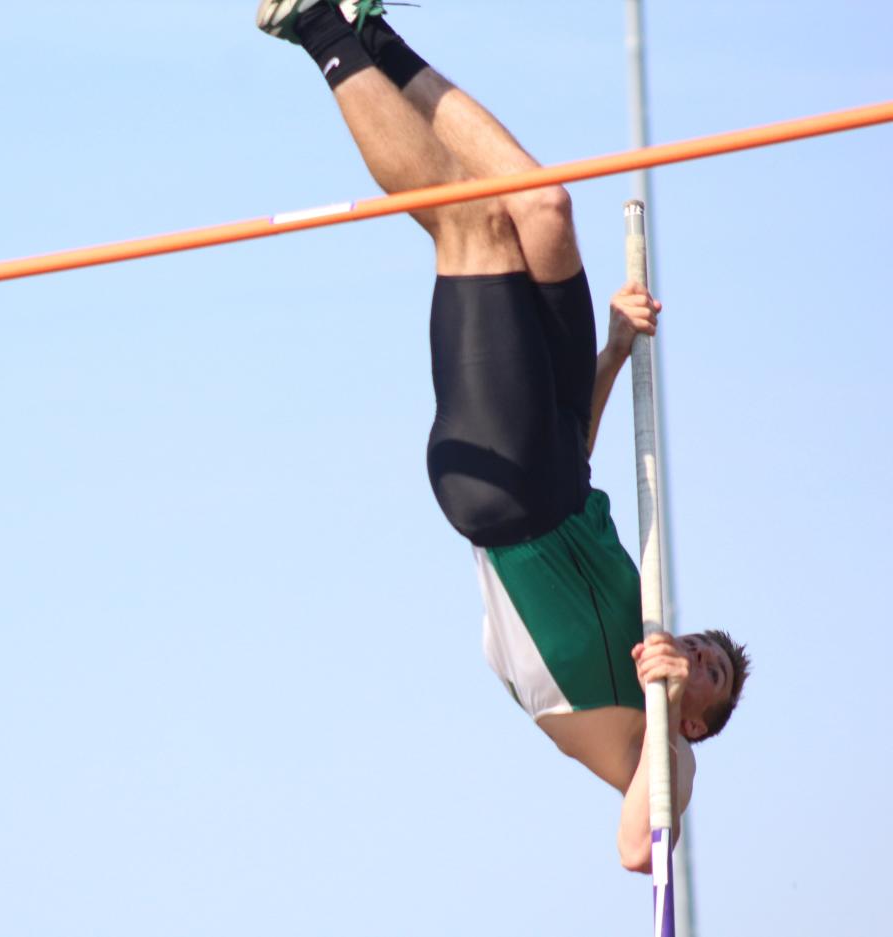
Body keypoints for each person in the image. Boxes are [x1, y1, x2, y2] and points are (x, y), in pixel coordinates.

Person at [256, 0, 750, 873]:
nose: (695, 652)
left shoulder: (657, 750)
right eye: (706, 646)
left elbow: (639, 849)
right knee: (541, 207)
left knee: (472, 225)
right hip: (553, 454)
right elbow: (582, 462)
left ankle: (317, 30)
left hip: (507, 497)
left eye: (707, 673)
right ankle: (372, 32)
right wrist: (614, 348)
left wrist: (668, 704)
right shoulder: (634, 603)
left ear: (702, 720)